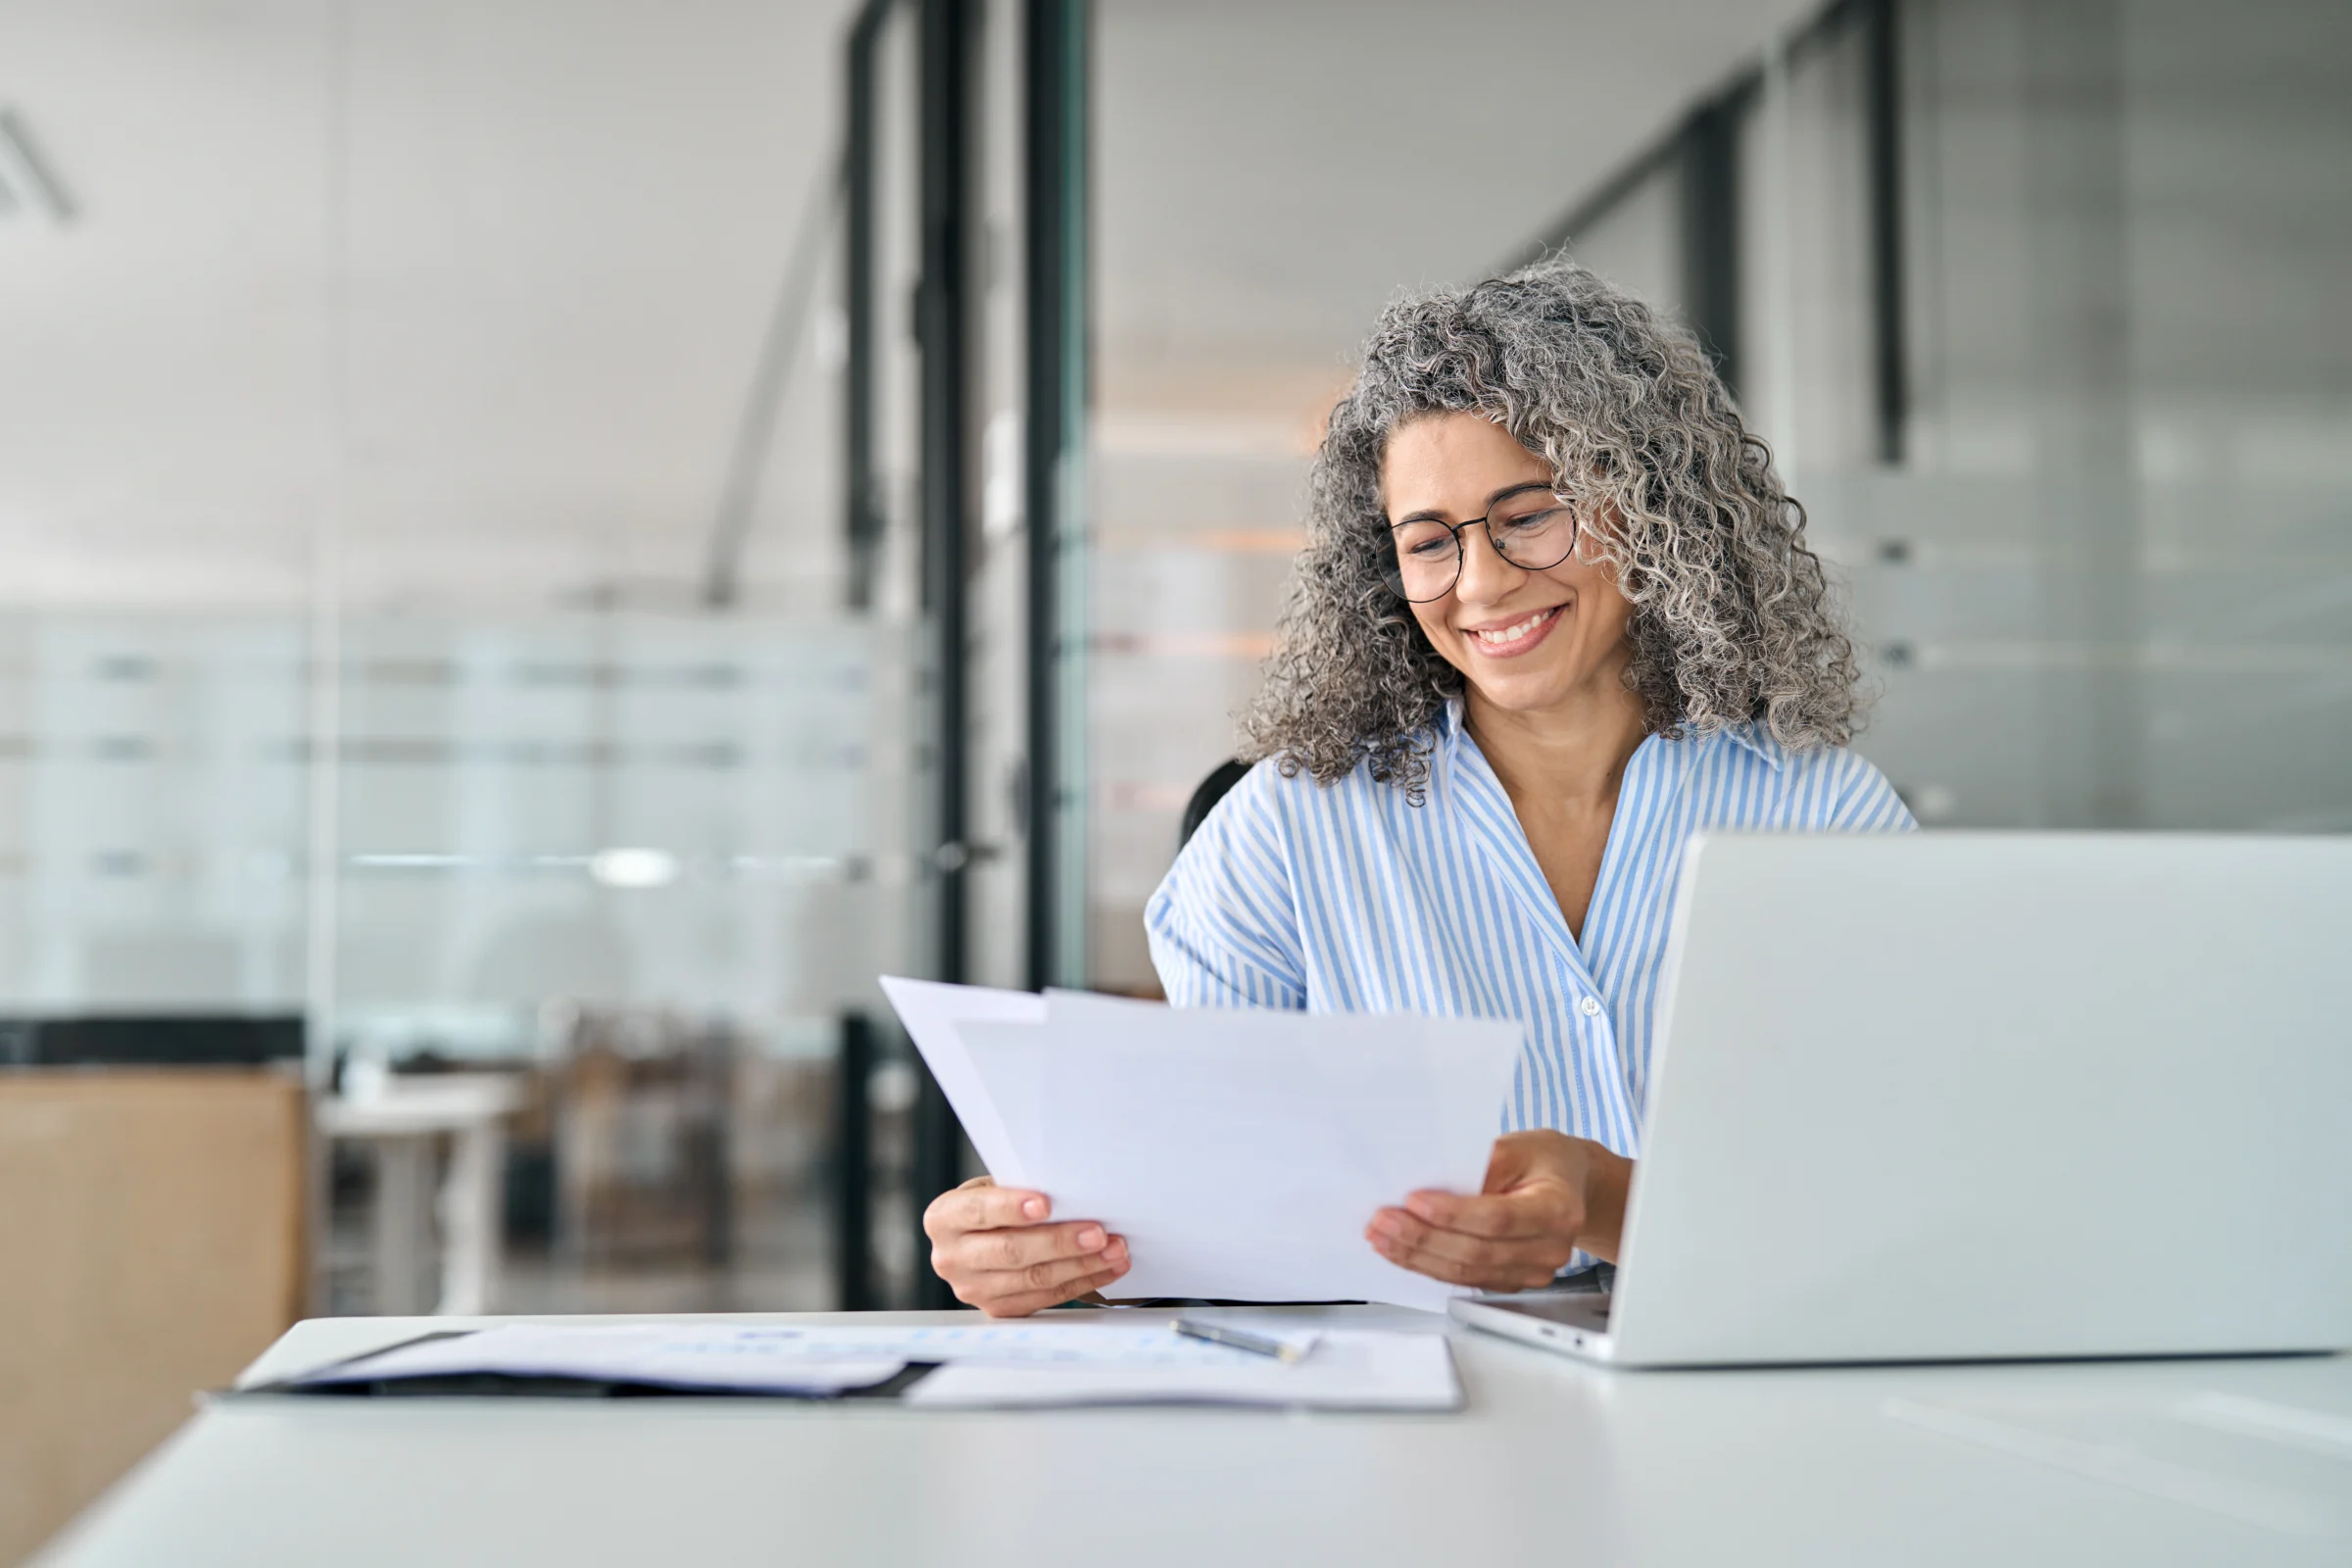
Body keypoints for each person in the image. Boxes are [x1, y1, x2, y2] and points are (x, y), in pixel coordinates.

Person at [924, 261, 1914, 1317]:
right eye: (1428, 542)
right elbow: (1220, 1221)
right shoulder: (1279, 835)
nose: (1481, 584)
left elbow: (1898, 1190)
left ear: (1650, 508)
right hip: (1398, 1419)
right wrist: (1049, 1246)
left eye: (1531, 515)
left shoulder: (1823, 817)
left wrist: (1602, 1198)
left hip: (1753, 1384)